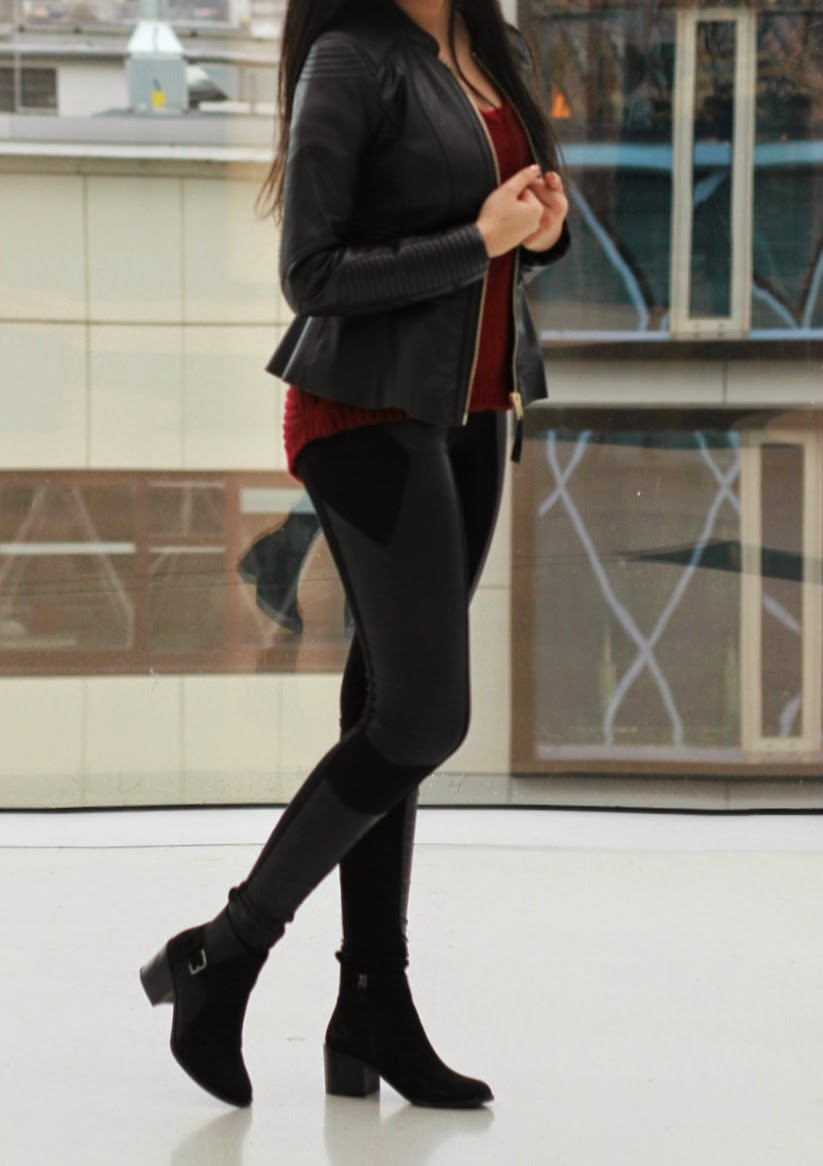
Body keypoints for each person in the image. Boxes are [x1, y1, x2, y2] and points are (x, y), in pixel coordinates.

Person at [140, 0, 569, 1111]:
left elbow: (516, 224)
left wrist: (540, 228)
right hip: (363, 412)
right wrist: (478, 240)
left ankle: (371, 1000)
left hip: (471, 410)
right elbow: (312, 273)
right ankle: (223, 948)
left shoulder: (488, 44)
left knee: (388, 705)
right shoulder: (349, 59)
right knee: (423, 718)